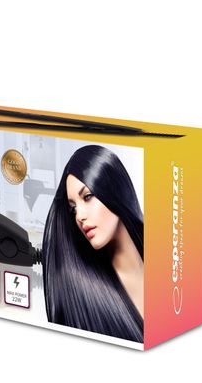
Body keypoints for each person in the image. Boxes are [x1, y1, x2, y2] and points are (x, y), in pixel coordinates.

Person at [42, 145, 144, 342]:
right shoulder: (85, 296)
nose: (79, 216)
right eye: (73, 208)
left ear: (114, 188)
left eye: (87, 197)